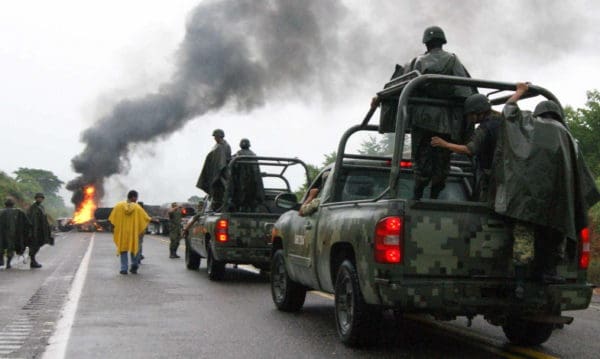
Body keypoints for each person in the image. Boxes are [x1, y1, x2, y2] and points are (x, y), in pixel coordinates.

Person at [493, 82, 600, 297]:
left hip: (525, 201)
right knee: (554, 238)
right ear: (558, 114)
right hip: (557, 203)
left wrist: (520, 92)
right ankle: (547, 274)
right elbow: (583, 178)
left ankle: (521, 283)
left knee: (524, 239)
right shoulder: (569, 138)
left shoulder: (527, 125)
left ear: (539, 112)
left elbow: (508, 111)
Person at [373, 26, 475, 199]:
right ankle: (433, 197)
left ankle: (417, 196)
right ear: (443, 42)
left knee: (421, 163)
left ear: (426, 43)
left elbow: (397, 84)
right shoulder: (454, 61)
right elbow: (465, 91)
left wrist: (379, 97)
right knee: (442, 164)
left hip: (421, 120)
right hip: (446, 123)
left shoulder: (416, 62)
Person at [431, 93, 502, 201]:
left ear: (478, 112)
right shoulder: (500, 121)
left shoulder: (485, 127)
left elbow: (469, 149)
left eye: (470, 114)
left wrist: (444, 144)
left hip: (490, 176)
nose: (469, 118)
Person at [108, 190, 151, 275]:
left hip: (122, 232)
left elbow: (112, 219)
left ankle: (124, 268)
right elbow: (146, 218)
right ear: (134, 197)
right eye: (136, 198)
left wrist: (114, 229)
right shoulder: (138, 208)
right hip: (133, 232)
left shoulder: (118, 206)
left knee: (123, 250)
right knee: (134, 248)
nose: (136, 199)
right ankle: (134, 265)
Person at [196, 129, 232, 211]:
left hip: (221, 174)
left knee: (218, 194)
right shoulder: (219, 146)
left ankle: (218, 207)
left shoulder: (223, 146)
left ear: (220, 136)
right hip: (217, 172)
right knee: (216, 195)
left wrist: (219, 173)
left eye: (216, 136)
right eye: (214, 137)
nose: (215, 138)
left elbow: (223, 161)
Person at [230, 138, 264, 212]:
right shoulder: (254, 155)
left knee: (241, 201)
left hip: (242, 183)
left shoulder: (238, 155)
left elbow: (234, 168)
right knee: (251, 202)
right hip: (253, 185)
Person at [0, 198, 31, 269]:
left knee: (1, 247)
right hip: (13, 234)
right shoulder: (18, 211)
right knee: (10, 249)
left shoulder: (0, 212)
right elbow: (27, 223)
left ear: (5, 205)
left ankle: (1, 261)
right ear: (13, 205)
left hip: (1, 234)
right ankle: (8, 263)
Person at [26, 193, 53, 269]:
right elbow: (31, 220)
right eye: (38, 198)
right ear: (36, 198)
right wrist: (32, 231)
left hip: (41, 231)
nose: (40, 199)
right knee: (34, 246)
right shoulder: (32, 207)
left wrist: (48, 227)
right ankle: (33, 261)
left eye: (41, 198)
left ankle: (33, 261)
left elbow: (44, 218)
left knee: (38, 246)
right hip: (34, 231)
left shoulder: (41, 207)